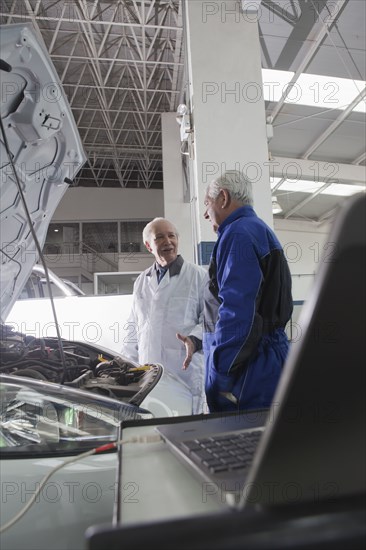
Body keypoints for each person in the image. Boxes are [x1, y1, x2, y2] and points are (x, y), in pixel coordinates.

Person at [202, 170, 293, 413]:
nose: (205, 213)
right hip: (268, 358)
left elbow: (238, 313)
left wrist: (219, 375)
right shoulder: (257, 229)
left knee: (241, 445)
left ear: (223, 197)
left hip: (249, 367)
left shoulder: (238, 234)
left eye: (207, 204)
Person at [121, 217, 207, 414]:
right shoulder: (142, 281)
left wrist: (194, 339)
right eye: (159, 237)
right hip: (147, 375)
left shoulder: (198, 276)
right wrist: (126, 363)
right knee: (154, 426)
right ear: (149, 245)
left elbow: (211, 320)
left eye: (171, 236)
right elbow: (134, 326)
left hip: (184, 372)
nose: (168, 241)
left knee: (186, 427)